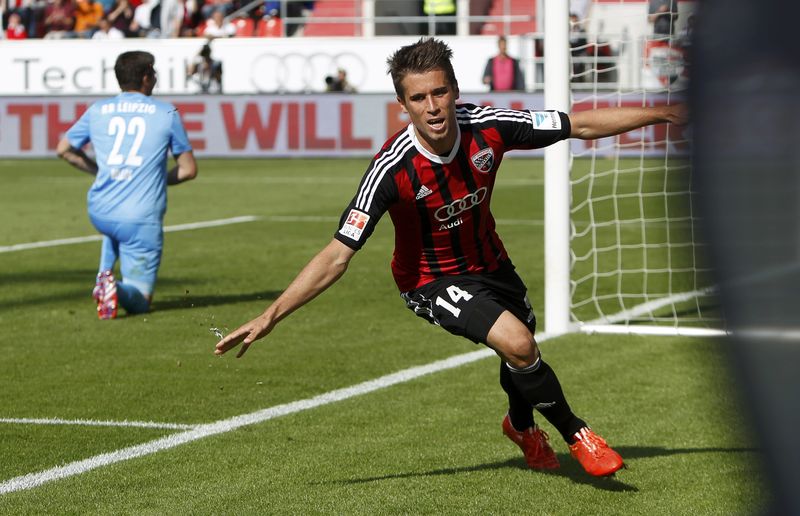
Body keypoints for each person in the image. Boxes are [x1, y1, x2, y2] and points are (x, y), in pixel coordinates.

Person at [214, 38, 686, 477]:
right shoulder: (391, 168)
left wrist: (664, 112)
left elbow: (577, 124)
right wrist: (271, 315)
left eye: (439, 93)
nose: (432, 107)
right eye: (418, 98)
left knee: (519, 350)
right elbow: (338, 255)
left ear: (455, 90)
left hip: (491, 265)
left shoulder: (490, 126)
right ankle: (577, 433)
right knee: (519, 343)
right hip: (428, 280)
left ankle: (521, 427)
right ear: (402, 105)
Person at [56, 51, 197, 319]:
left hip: (100, 208)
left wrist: (99, 171)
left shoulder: (97, 109)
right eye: (153, 72)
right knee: (142, 300)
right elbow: (189, 170)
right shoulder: (166, 112)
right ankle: (114, 289)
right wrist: (153, 178)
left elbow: (64, 149)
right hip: (139, 216)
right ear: (146, 78)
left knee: (114, 227)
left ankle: (104, 277)